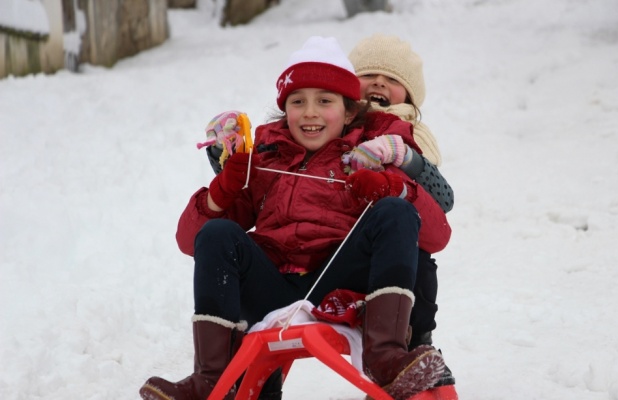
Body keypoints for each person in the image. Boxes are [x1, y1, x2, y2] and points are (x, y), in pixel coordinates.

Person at [139, 36, 452, 400]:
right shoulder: (267, 155)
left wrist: (387, 186)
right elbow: (188, 240)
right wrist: (222, 188)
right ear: (284, 109)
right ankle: (212, 378)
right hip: (273, 284)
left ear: (349, 111)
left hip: (339, 285)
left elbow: (436, 236)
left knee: (395, 211)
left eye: (324, 101)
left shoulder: (374, 148)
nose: (310, 112)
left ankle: (385, 356)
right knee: (217, 234)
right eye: (298, 101)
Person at [348, 33, 456, 385]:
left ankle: (418, 344)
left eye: (392, 79)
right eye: (369, 75)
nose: (379, 82)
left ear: (409, 95)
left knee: (421, 261)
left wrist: (404, 157)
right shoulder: (333, 121)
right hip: (339, 243)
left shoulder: (414, 134)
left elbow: (443, 201)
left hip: (394, 247)